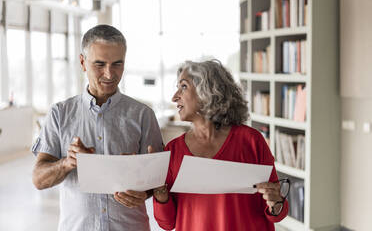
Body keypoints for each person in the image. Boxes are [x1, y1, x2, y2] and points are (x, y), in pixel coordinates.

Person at [31, 24, 163, 231]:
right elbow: (39, 179)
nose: (109, 74)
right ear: (83, 62)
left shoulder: (143, 115)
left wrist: (144, 192)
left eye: (117, 64)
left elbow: (158, 181)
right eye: (99, 64)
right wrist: (67, 163)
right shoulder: (59, 114)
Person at [152, 60, 288, 231]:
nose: (174, 96)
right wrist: (161, 195)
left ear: (206, 92)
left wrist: (276, 202)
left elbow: (276, 211)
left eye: (184, 87)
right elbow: (167, 223)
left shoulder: (251, 141)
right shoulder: (173, 150)